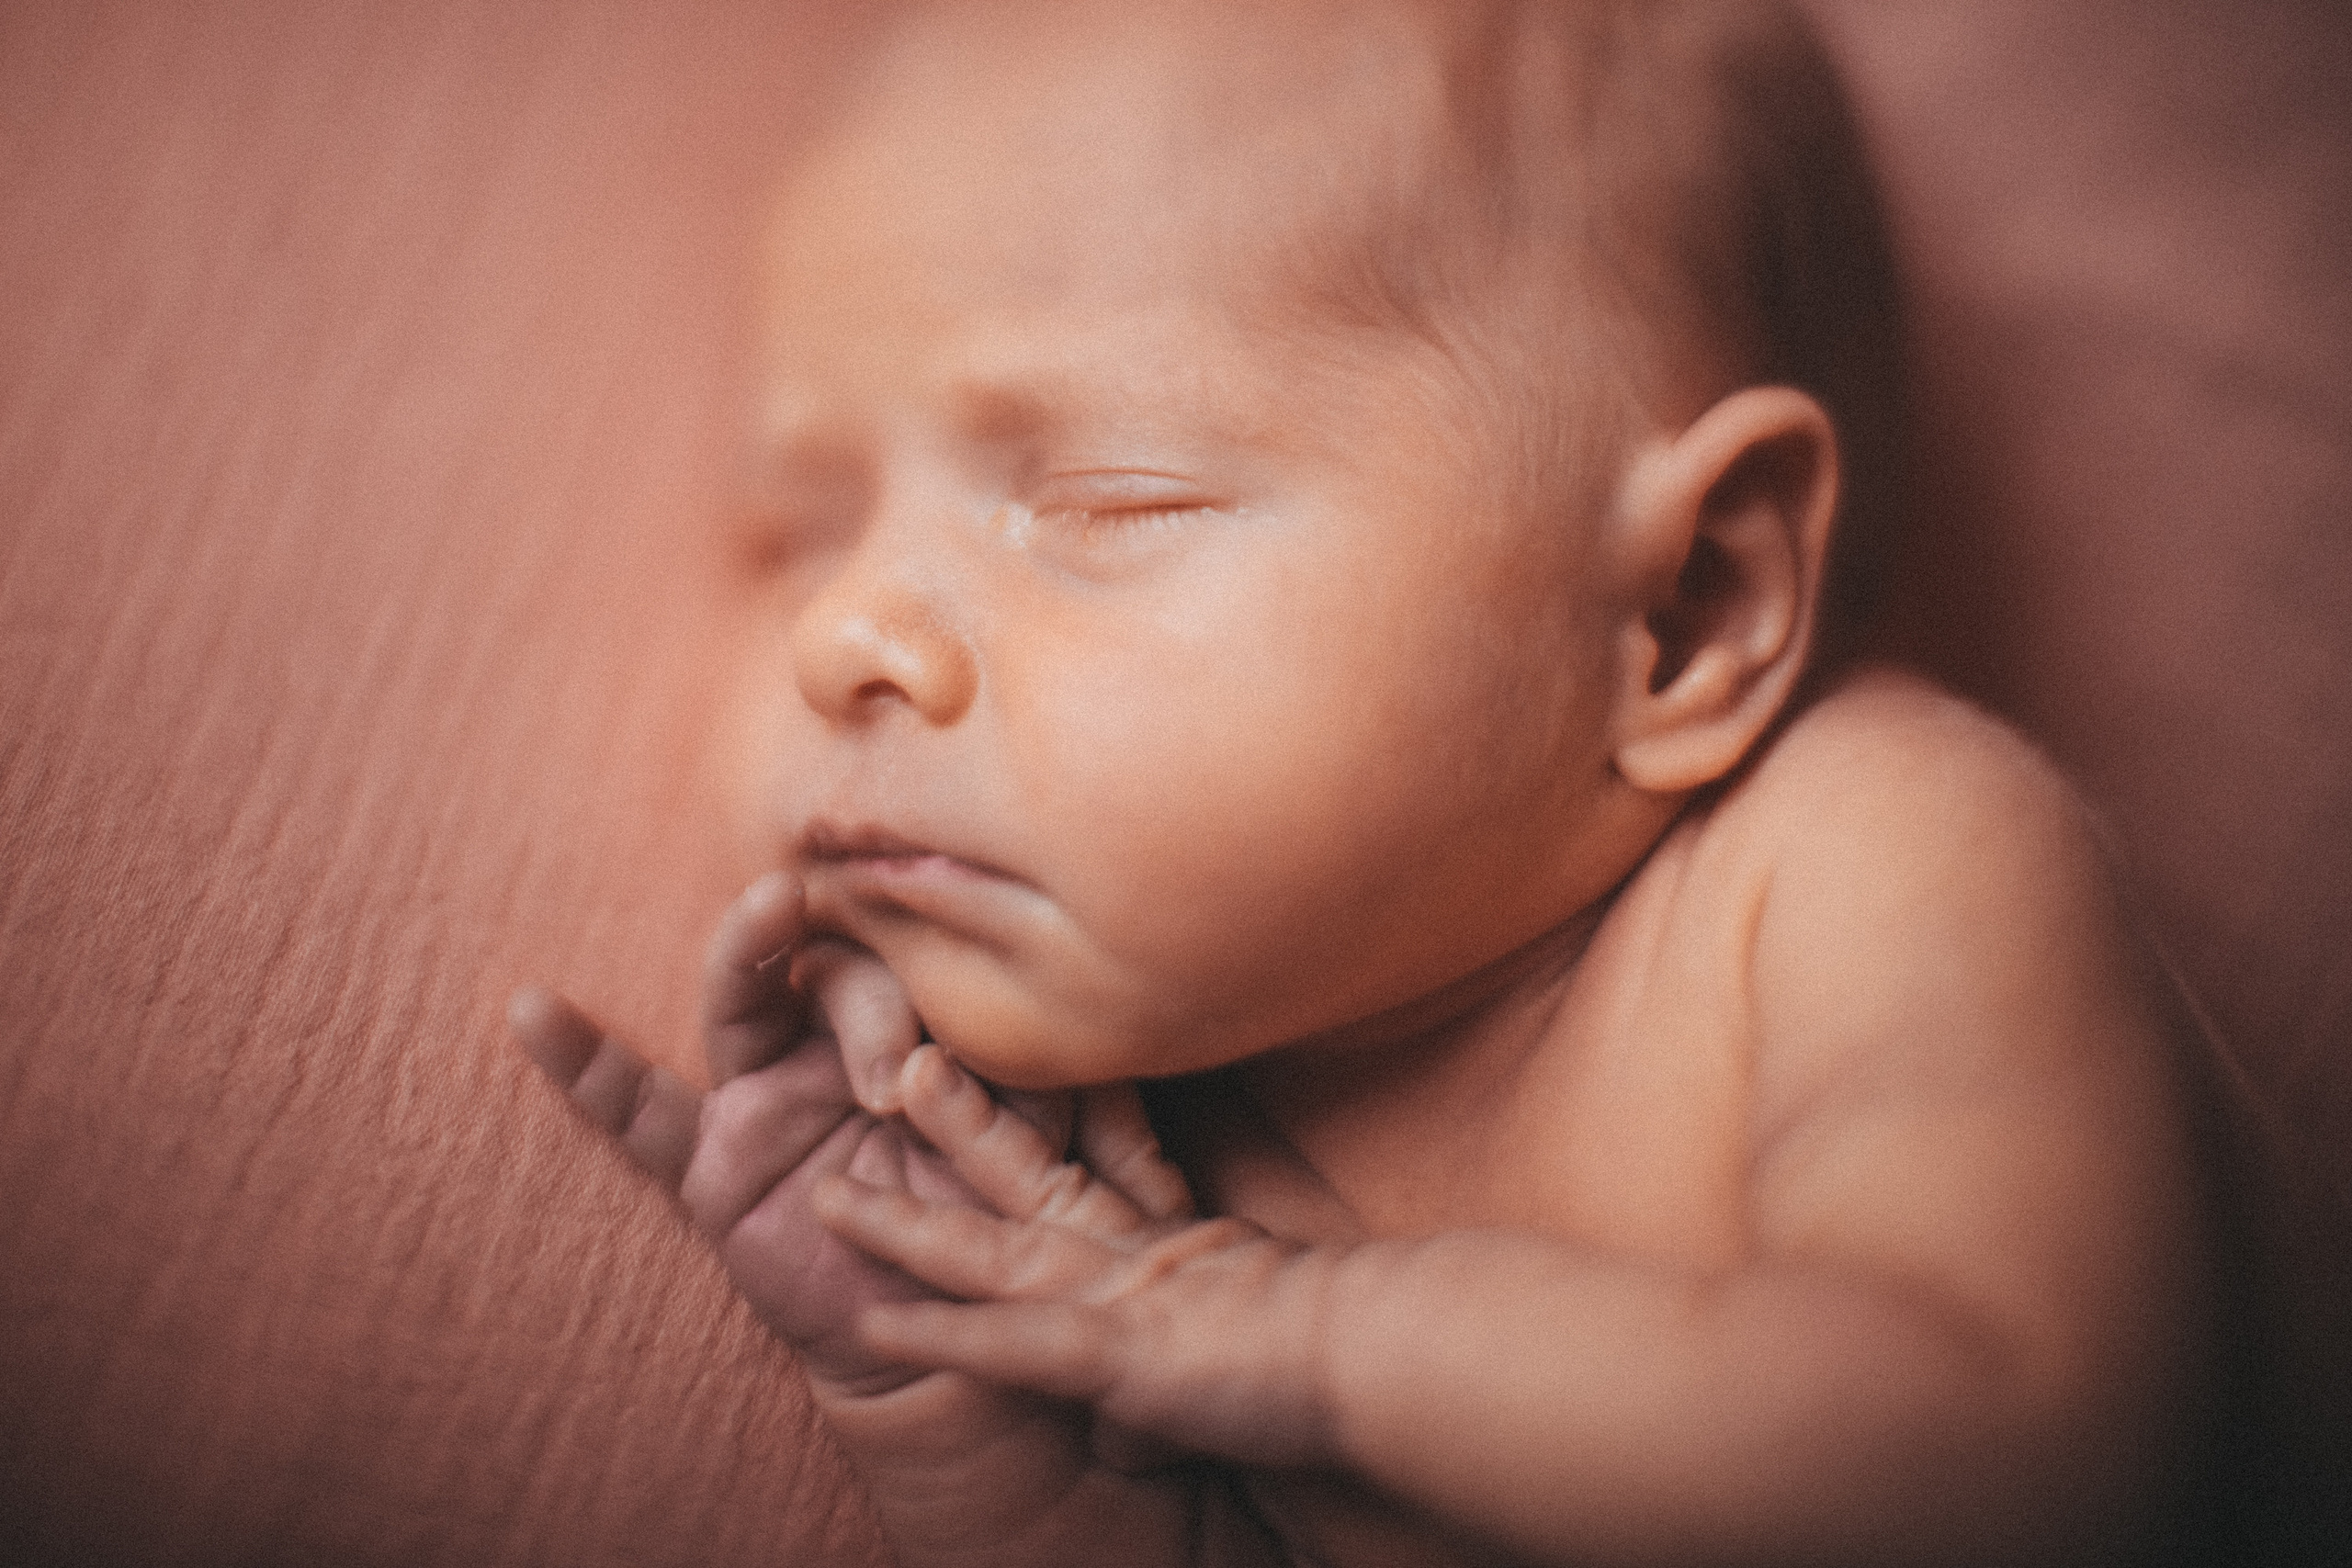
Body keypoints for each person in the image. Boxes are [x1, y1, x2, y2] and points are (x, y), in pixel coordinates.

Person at [508, 1, 2216, 1561]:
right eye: (803, 531)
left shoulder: (1865, 860)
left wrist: (1303, 1339)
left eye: (1112, 497)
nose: (840, 634)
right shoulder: (1145, 1136)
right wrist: (959, 1400)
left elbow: (2008, 1456)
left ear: (1688, 610)